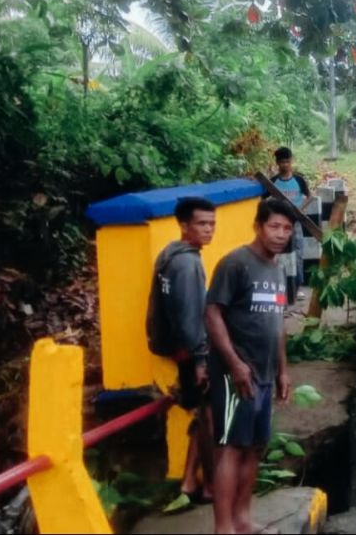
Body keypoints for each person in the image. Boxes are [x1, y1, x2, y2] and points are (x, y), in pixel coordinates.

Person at [205, 199, 293, 535]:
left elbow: (278, 323)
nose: (280, 234)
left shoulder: (277, 270)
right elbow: (212, 314)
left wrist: (282, 370)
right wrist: (235, 363)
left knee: (255, 448)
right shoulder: (235, 264)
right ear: (257, 226)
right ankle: (223, 527)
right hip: (234, 375)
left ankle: (242, 519)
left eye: (286, 228)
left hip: (266, 373)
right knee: (230, 447)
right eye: (274, 226)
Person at [146, 197, 216, 507]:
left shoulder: (168, 255)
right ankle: (210, 486)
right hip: (188, 354)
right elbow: (190, 318)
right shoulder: (188, 264)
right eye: (202, 224)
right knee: (210, 416)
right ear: (184, 226)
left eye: (212, 224)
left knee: (202, 416)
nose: (209, 230)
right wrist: (201, 359)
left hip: (173, 348)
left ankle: (190, 481)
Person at [270, 147, 312, 302]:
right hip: (279, 225)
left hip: (296, 223)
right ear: (277, 163)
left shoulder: (299, 180)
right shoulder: (273, 182)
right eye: (282, 162)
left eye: (287, 161)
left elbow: (309, 196)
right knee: (279, 255)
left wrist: (300, 209)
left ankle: (298, 286)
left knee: (298, 253)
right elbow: (264, 199)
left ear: (291, 161)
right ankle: (282, 288)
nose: (285, 165)